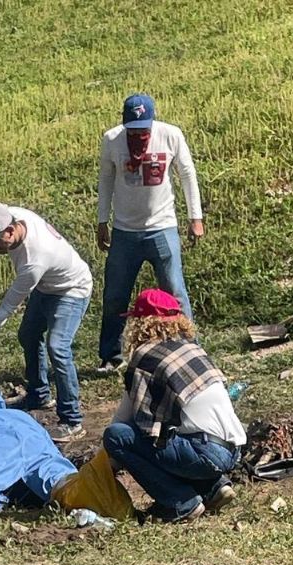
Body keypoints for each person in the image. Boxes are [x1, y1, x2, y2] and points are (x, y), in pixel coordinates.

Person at [103, 289, 246, 523]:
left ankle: (182, 502)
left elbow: (127, 420)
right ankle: (214, 487)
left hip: (205, 452)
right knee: (172, 435)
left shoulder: (146, 356)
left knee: (117, 436)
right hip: (232, 449)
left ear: (140, 323)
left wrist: (105, 461)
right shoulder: (191, 348)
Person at [0, 202, 92, 442]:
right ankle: (39, 396)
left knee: (58, 347)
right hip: (46, 286)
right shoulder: (8, 216)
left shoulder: (35, 259)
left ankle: (72, 420)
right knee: (28, 335)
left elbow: (7, 308)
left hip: (71, 289)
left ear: (10, 231)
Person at [96, 93, 204, 375]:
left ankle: (191, 347)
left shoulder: (171, 135)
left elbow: (187, 174)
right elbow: (106, 178)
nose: (138, 135)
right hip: (124, 230)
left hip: (162, 226)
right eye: (132, 130)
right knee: (115, 295)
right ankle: (111, 355)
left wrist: (195, 217)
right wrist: (102, 220)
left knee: (175, 290)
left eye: (143, 129)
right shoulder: (112, 139)